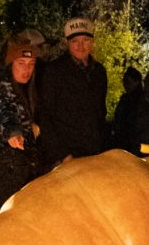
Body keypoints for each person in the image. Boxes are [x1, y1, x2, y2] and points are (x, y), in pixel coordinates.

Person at [0, 37, 41, 221]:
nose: (26, 69)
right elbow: (2, 114)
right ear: (10, 64)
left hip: (24, 172)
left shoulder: (31, 93)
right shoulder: (0, 90)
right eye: (21, 63)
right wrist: (13, 132)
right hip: (2, 174)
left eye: (31, 64)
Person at [39, 17, 108, 167]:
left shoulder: (99, 72)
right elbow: (45, 115)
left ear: (92, 42)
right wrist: (62, 155)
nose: (80, 46)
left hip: (93, 154)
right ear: (67, 43)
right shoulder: (54, 71)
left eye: (85, 40)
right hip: (65, 156)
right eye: (75, 41)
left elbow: (100, 113)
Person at [112, 66, 149, 154]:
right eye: (124, 82)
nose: (125, 85)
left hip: (135, 143)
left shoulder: (142, 101)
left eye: (128, 82)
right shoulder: (126, 100)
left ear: (136, 82)